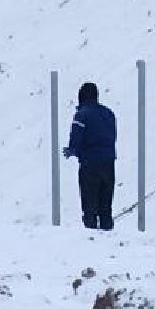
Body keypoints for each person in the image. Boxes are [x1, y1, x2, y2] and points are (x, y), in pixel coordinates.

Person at [62, 81, 117, 230]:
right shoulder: (109, 113)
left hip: (89, 163)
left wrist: (72, 150)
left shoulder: (81, 115)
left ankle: (91, 237)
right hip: (108, 162)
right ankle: (108, 233)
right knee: (105, 206)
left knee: (90, 206)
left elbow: (76, 138)